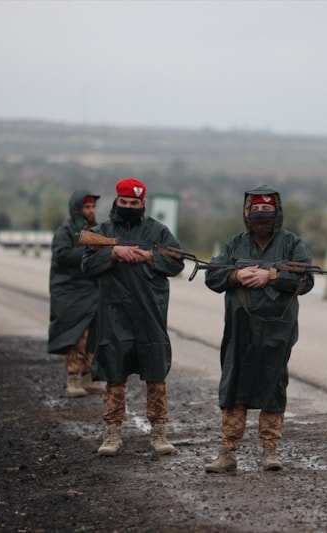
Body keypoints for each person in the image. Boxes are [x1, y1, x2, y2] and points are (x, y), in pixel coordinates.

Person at [203, 185, 315, 473]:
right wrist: (236, 275)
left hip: (278, 329)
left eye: (267, 209)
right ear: (247, 213)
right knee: (234, 383)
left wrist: (272, 276)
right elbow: (212, 276)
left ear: (277, 212)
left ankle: (270, 451)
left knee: (273, 384)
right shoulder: (235, 244)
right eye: (256, 210)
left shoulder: (291, 243)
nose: (261, 214)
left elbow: (307, 280)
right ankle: (228, 452)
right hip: (240, 328)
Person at [81, 177, 185, 457]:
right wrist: (113, 253)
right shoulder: (102, 231)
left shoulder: (158, 231)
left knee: (156, 372)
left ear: (143, 203)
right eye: (124, 201)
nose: (128, 206)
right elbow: (87, 266)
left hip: (150, 311)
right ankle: (112, 433)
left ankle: (159, 433)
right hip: (114, 311)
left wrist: (148, 257)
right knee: (115, 373)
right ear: (117, 200)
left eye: (134, 202)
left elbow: (177, 263)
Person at [48, 189, 104, 398]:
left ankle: (89, 377)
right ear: (77, 209)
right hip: (71, 291)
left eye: (93, 207)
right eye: (87, 207)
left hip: (93, 291)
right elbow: (61, 255)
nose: (91, 211)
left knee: (94, 336)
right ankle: (73, 379)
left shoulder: (97, 230)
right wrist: (90, 250)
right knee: (76, 335)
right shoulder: (66, 231)